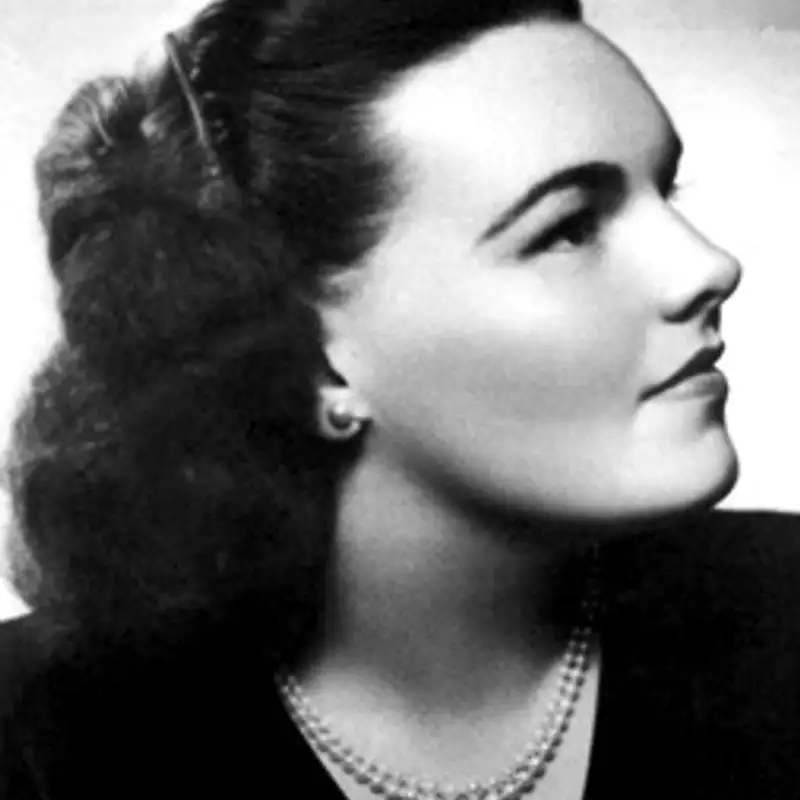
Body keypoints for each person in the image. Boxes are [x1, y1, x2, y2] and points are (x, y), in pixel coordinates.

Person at [1, 0, 799, 797]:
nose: (708, 266)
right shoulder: (38, 735)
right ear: (316, 361)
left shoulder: (782, 608)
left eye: (666, 189)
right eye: (568, 228)